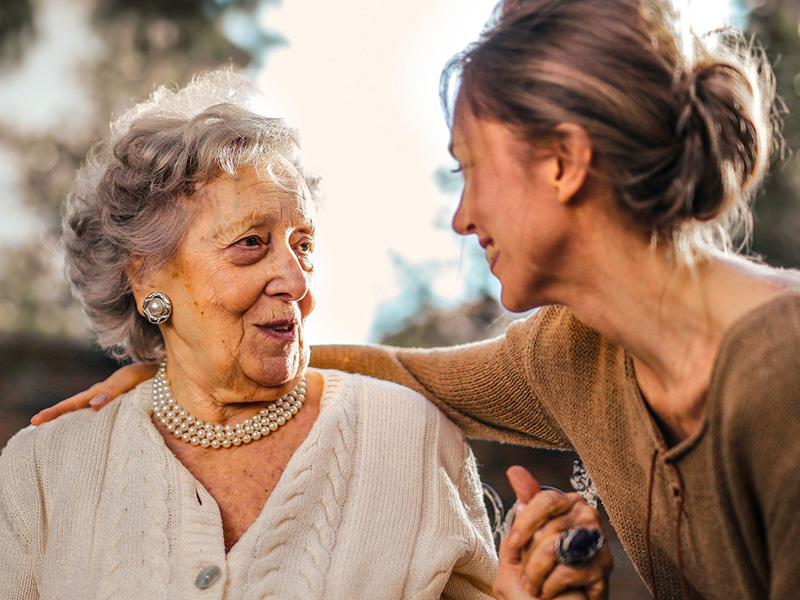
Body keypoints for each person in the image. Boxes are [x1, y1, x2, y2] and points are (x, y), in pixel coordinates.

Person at [34, 0, 799, 598]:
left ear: (564, 163)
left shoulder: (780, 370)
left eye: (469, 168)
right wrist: (187, 367)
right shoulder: (570, 354)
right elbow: (407, 371)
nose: (463, 217)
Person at [0, 70, 509, 599]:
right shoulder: (42, 471)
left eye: (303, 244)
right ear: (145, 275)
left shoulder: (409, 439)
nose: (296, 282)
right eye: (250, 243)